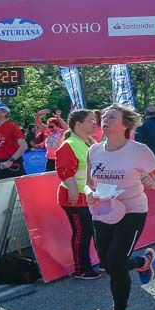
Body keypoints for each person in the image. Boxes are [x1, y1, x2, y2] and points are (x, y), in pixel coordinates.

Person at [87, 104, 155, 310]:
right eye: (104, 117)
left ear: (125, 124)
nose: (105, 121)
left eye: (111, 117)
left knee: (116, 260)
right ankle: (142, 261)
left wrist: (153, 183)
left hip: (132, 210)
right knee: (108, 265)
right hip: (103, 210)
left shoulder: (138, 150)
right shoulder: (94, 151)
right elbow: (90, 181)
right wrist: (89, 192)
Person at [56, 109, 101, 280]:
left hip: (89, 195)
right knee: (83, 231)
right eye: (90, 120)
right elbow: (64, 169)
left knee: (93, 230)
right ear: (78, 124)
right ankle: (81, 269)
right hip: (74, 196)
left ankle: (103, 262)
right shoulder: (69, 144)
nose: (94, 124)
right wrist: (73, 188)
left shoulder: (89, 142)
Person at [0, 101, 28, 198]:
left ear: (4, 113)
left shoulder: (12, 126)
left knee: (16, 194)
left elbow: (24, 146)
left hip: (12, 165)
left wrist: (10, 161)